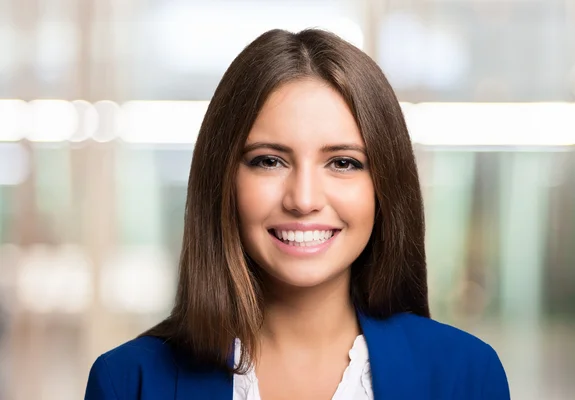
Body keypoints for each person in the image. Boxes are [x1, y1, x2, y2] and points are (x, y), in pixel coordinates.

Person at [84, 28, 510, 400]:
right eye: (269, 161)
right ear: (222, 181)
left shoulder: (466, 374)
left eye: (343, 162)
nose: (303, 200)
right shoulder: (128, 381)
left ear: (385, 187)